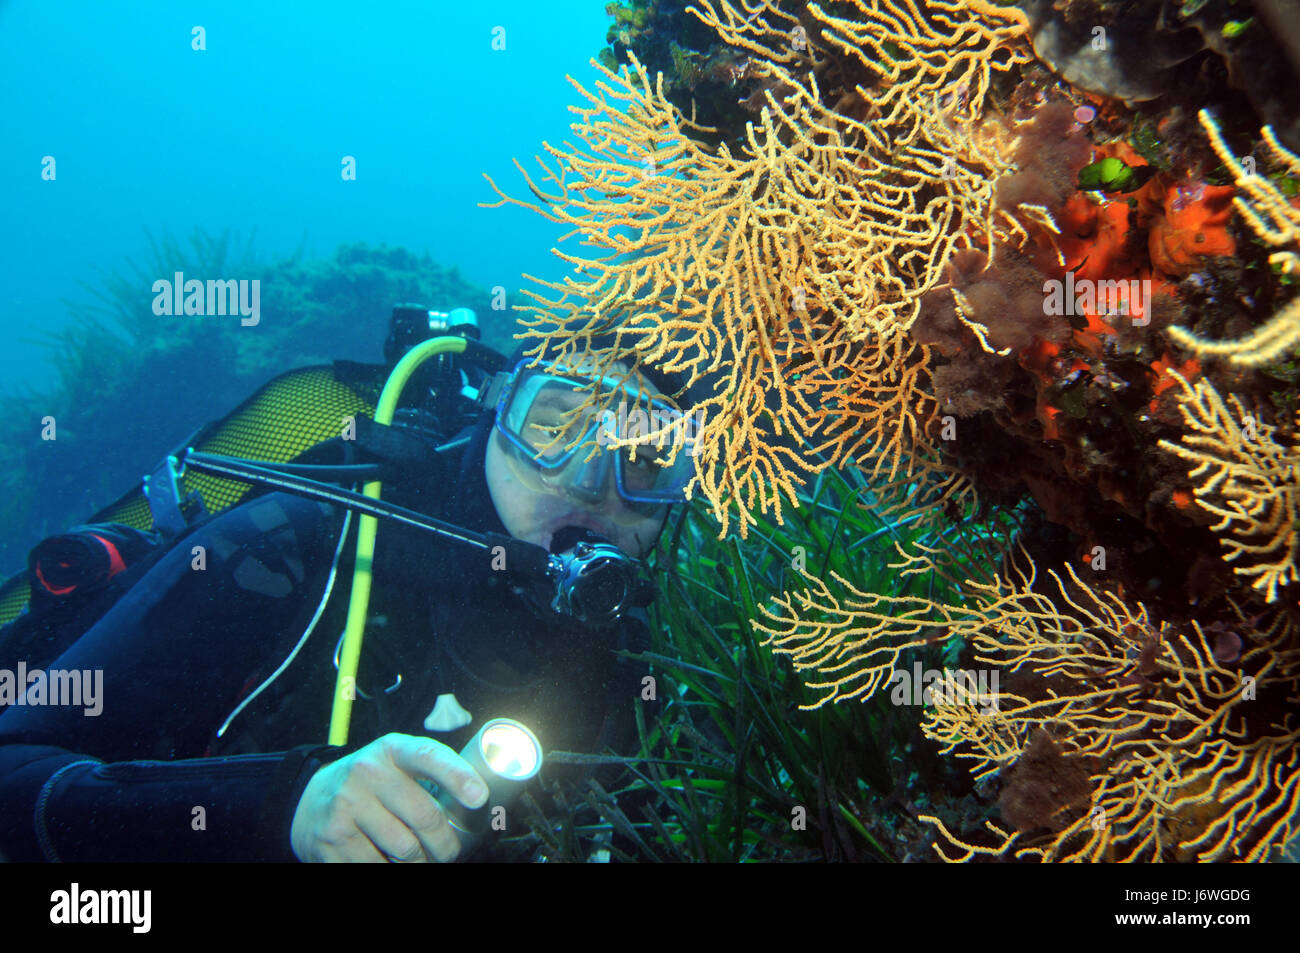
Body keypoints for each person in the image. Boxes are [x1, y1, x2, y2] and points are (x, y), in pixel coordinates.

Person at [0, 331, 697, 862]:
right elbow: (13, 776)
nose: (589, 482)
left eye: (646, 457)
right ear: (494, 414)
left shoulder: (673, 655)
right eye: (552, 426)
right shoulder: (294, 546)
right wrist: (285, 806)